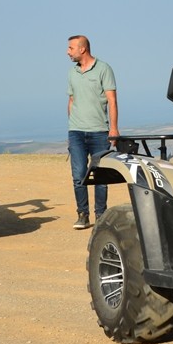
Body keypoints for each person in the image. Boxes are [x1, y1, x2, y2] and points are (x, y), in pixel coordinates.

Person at [67, 34, 119, 230]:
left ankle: (101, 216)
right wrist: (71, 127)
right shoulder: (72, 72)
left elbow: (112, 100)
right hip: (76, 132)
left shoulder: (104, 69)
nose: (67, 52)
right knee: (78, 174)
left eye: (71, 48)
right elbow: (71, 100)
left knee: (100, 177)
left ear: (82, 49)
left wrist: (113, 128)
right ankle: (82, 215)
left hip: (99, 131)